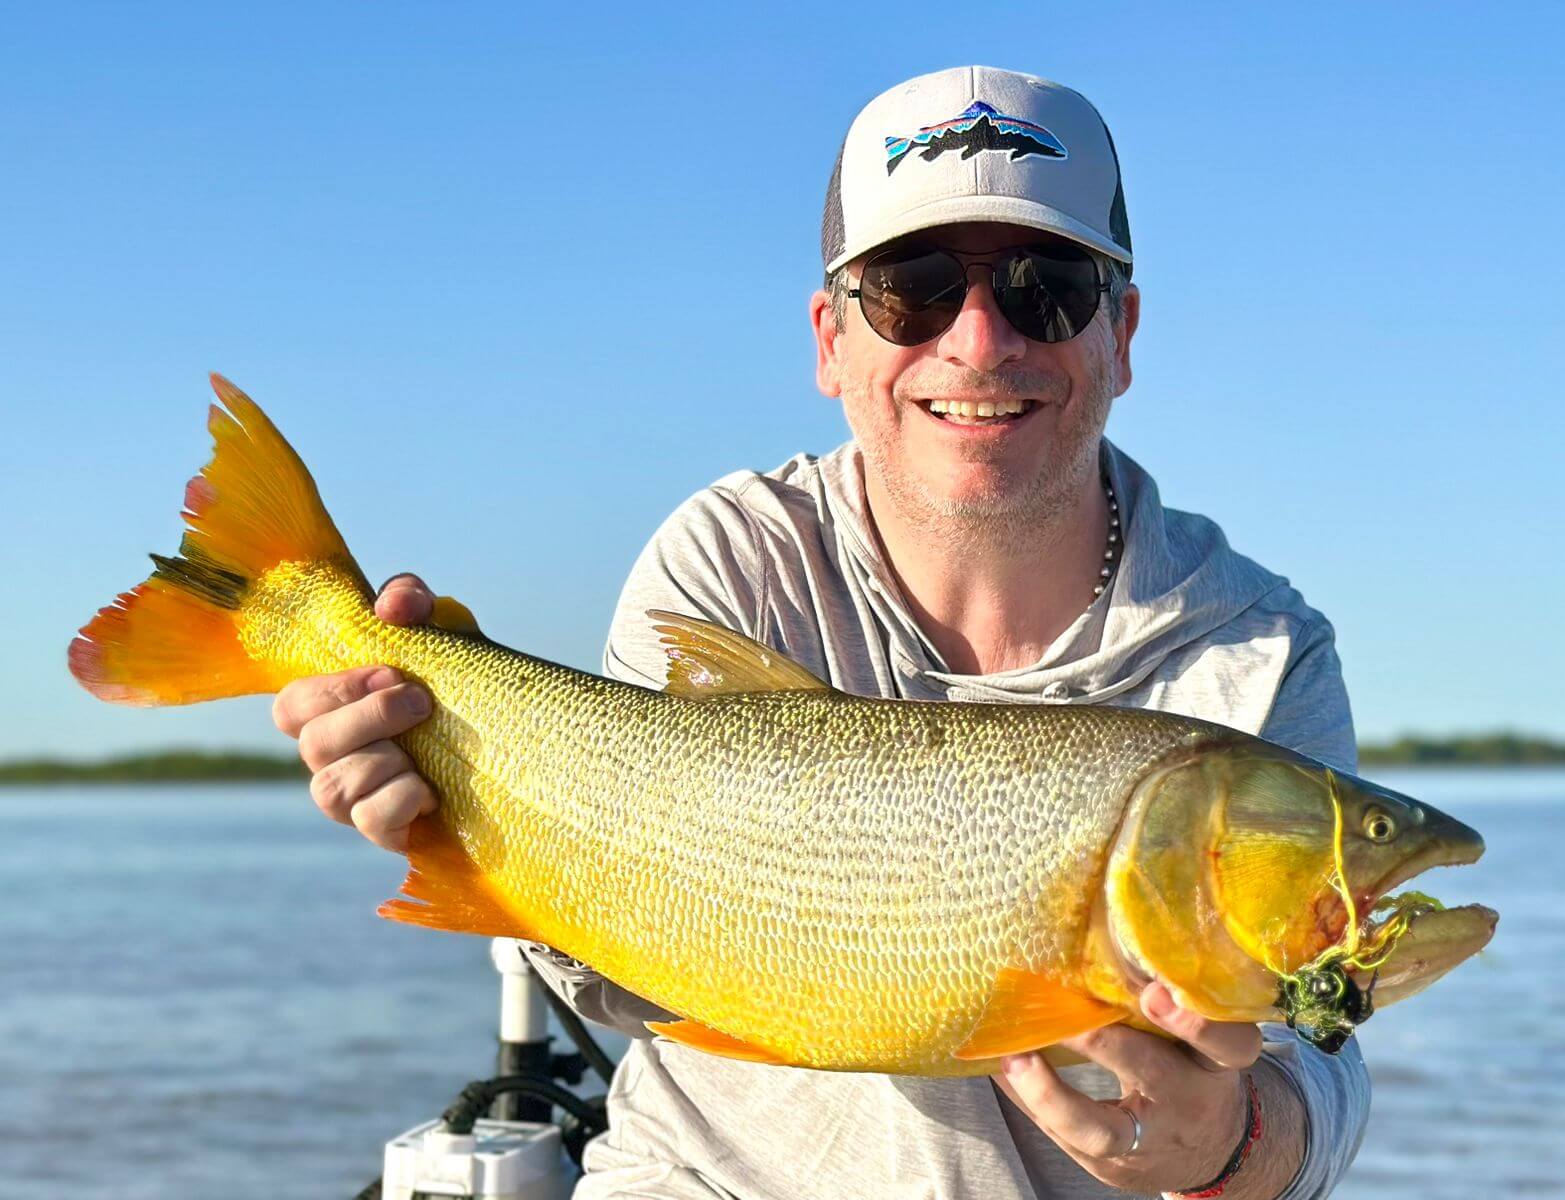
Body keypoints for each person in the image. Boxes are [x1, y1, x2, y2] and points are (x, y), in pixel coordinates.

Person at [272, 66, 1368, 1200]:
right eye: (912, 289)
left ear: (1121, 332)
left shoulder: (1258, 648)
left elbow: (1321, 1061)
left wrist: (1236, 1145)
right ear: (829, 338)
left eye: (1049, 286)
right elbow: (626, 980)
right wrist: (454, 816)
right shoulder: (729, 556)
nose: (980, 340)